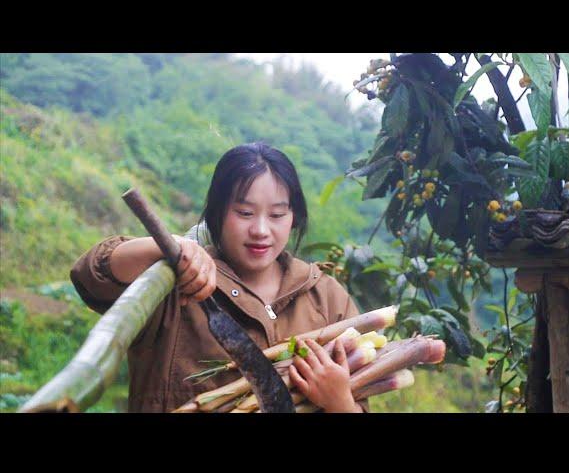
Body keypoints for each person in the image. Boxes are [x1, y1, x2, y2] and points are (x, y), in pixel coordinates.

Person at [70, 142, 368, 413]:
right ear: (217, 214)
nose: (261, 230)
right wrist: (170, 248)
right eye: (245, 212)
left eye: (277, 215)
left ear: (294, 218)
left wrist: (339, 402)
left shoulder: (327, 298)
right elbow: (91, 276)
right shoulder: (177, 282)